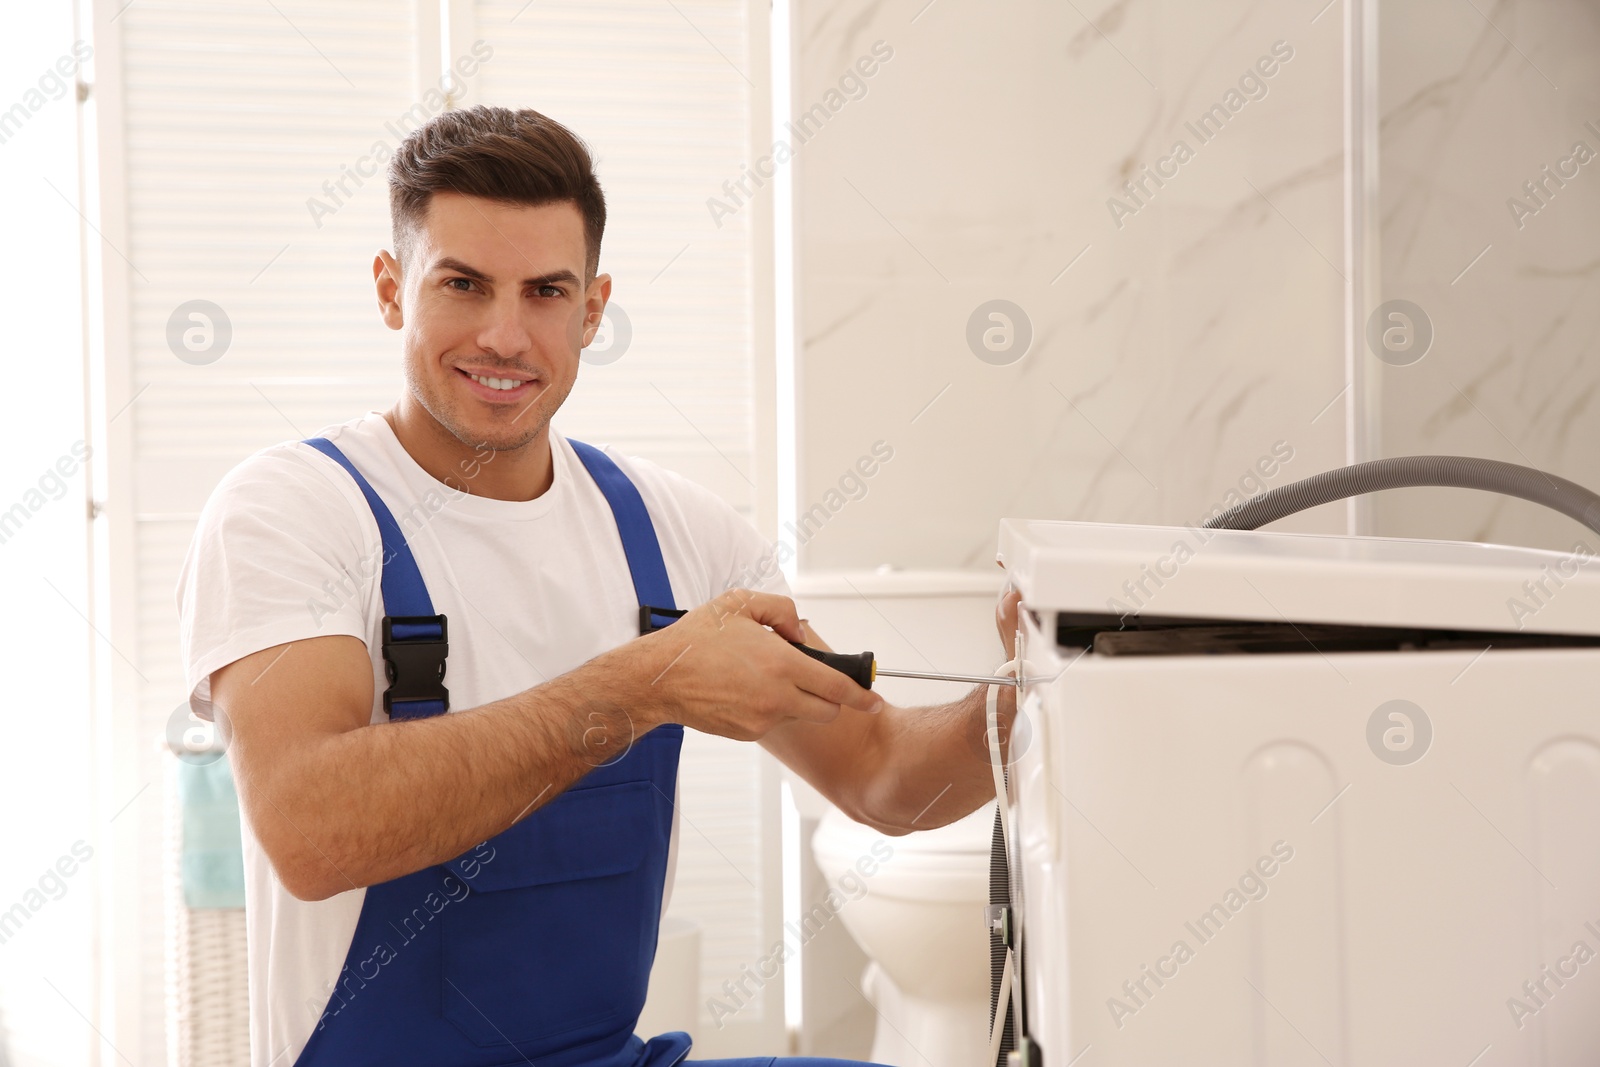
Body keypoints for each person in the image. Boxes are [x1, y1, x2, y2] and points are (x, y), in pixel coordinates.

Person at [177, 104, 1020, 1067]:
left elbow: (882, 775)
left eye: (545, 291)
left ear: (592, 307)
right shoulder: (294, 510)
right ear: (389, 288)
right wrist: (644, 684)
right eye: (462, 283)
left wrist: (1041, 683)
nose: (504, 334)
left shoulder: (677, 533)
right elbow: (310, 830)